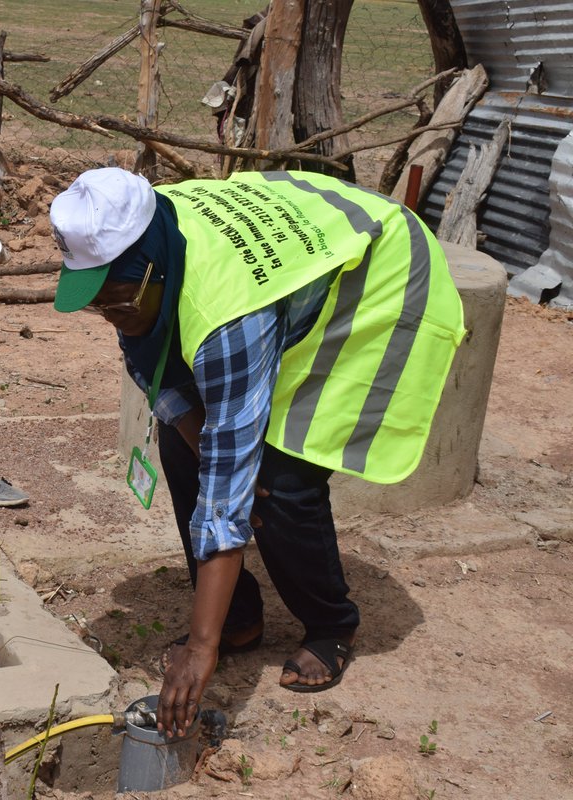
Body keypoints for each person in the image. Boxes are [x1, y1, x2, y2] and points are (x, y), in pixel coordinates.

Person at [48, 167, 465, 738]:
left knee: (281, 474)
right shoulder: (136, 229)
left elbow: (226, 495)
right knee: (183, 444)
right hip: (278, 268)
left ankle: (330, 623)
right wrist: (209, 451)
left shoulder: (227, 313)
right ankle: (240, 617)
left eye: (116, 303)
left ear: (152, 271)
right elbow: (147, 353)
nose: (109, 317)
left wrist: (200, 647)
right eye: (98, 305)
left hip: (372, 277)